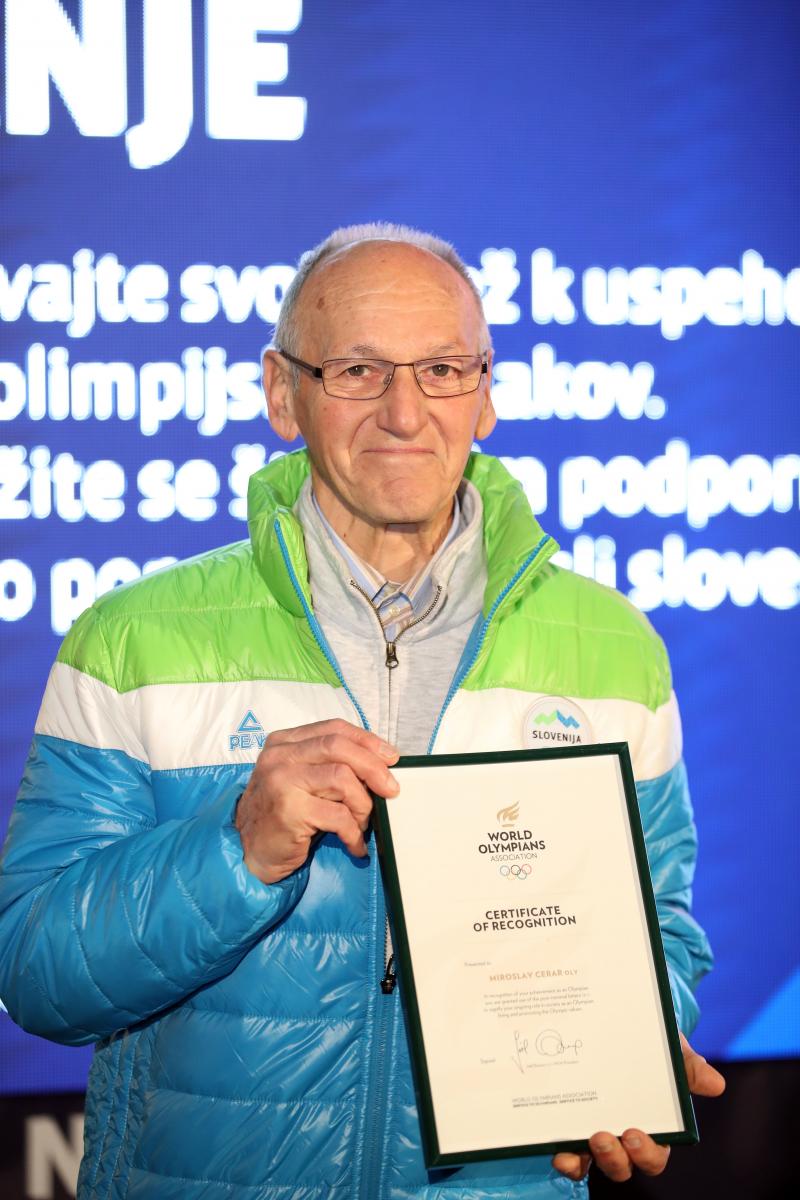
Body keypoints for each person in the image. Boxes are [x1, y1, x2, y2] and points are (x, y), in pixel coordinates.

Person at [0, 223, 722, 1198]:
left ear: (486, 393)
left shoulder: (612, 649)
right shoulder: (132, 640)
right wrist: (234, 852)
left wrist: (626, 1054)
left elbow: (660, 929)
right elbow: (34, 973)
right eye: (356, 370)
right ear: (281, 393)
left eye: (441, 370)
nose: (403, 411)